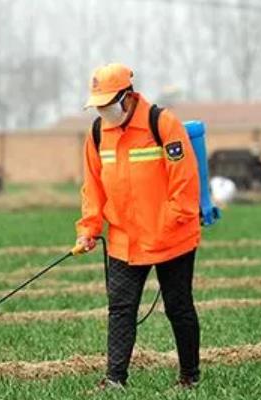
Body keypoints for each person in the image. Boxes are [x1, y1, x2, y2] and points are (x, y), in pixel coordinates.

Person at [75, 64, 201, 390]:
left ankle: (189, 377)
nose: (103, 110)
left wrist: (165, 227)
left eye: (108, 103)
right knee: (120, 309)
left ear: (128, 97)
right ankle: (115, 380)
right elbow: (93, 186)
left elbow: (185, 185)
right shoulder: (97, 133)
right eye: (98, 105)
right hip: (123, 240)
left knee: (178, 306)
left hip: (171, 236)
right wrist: (89, 228)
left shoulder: (163, 124)